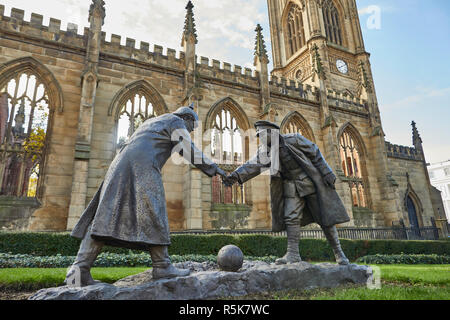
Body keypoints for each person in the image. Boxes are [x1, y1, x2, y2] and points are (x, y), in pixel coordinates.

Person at [65, 104, 227, 287]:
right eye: (192, 127)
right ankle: (162, 265)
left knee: (105, 217)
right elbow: (188, 149)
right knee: (154, 208)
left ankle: (78, 271)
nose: (190, 130)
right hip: (142, 167)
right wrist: (214, 169)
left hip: (119, 165)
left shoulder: (153, 122)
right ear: (187, 118)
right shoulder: (176, 121)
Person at [223, 121, 350, 265]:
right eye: (259, 136)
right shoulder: (266, 151)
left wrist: (327, 173)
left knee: (325, 217)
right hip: (290, 185)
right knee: (291, 217)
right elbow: (252, 165)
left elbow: (315, 152)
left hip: (308, 181)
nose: (261, 138)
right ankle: (293, 254)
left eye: (263, 135)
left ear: (272, 133)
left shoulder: (294, 139)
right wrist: (234, 176)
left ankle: (339, 253)